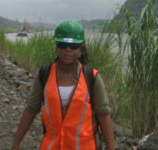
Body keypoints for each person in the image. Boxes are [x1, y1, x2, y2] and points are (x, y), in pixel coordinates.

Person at [11, 20, 115, 150]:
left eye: (73, 46)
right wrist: (16, 143)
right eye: (63, 45)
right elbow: (31, 109)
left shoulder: (92, 78)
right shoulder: (44, 74)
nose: (67, 50)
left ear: (81, 49)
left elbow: (103, 115)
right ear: (57, 47)